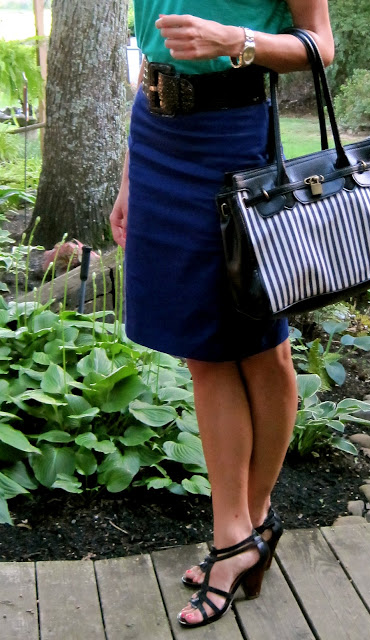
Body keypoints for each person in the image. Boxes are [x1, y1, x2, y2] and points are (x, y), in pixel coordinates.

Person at [110, 0, 334, 629]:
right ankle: (236, 533)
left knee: (263, 343)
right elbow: (152, 57)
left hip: (233, 140)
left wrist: (235, 40)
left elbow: (320, 44)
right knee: (203, 350)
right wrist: (130, 175)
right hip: (157, 138)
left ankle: (249, 524)